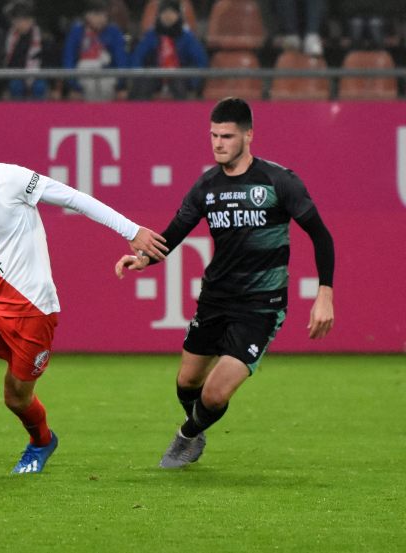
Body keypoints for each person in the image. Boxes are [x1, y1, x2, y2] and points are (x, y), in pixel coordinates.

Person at [0, 112, 168, 477]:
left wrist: (130, 230)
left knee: (15, 397)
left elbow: (73, 198)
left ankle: (41, 441)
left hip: (31, 307)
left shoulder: (9, 179)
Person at [115, 97, 335, 468]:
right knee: (187, 382)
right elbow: (175, 233)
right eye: (214, 135)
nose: (218, 143)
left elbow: (321, 236)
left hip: (260, 306)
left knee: (215, 394)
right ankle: (196, 427)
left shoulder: (279, 181)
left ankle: (186, 436)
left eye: (228, 136)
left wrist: (324, 294)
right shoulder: (207, 186)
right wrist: (144, 259)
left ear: (249, 136)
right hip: (215, 299)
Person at [129, 0, 208, 100]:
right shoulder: (151, 35)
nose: (168, 16)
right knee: (143, 84)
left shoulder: (187, 37)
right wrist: (138, 77)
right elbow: (137, 57)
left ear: (179, 15)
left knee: (179, 83)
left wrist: (193, 82)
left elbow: (200, 60)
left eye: (172, 12)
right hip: (155, 75)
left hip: (179, 75)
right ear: (159, 15)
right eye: (164, 12)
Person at [61, 0, 129, 101]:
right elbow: (68, 59)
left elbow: (121, 59)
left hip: (108, 77)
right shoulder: (77, 31)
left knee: (110, 88)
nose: (100, 19)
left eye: (103, 15)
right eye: (96, 15)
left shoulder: (114, 31)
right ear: (87, 16)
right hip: (82, 78)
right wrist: (73, 86)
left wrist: (121, 86)